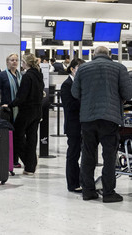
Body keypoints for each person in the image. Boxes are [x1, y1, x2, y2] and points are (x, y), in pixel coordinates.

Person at [72, 46, 132, 203]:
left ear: (93, 54)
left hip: (88, 118)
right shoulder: (119, 68)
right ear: (109, 55)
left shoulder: (83, 68)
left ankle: (88, 191)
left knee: (88, 155)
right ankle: (108, 192)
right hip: (110, 118)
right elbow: (128, 93)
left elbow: (75, 93)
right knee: (109, 156)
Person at [7, 53, 44, 175]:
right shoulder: (39, 75)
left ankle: (27, 162)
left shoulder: (27, 76)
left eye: (22, 62)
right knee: (32, 138)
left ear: (26, 63)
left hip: (27, 111)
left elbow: (22, 96)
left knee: (17, 135)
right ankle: (31, 167)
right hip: (37, 111)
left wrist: (10, 105)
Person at [0, 53, 21, 167]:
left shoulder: (20, 76)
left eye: (16, 60)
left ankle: (15, 160)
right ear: (7, 62)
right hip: (6, 111)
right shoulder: (2, 76)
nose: (14, 62)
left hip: (19, 110)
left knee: (18, 135)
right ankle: (8, 159)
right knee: (8, 135)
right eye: (12, 60)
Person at [60, 58, 85, 193]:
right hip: (73, 125)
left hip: (82, 124)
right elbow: (69, 106)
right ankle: (72, 183)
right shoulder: (67, 85)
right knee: (73, 155)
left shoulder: (81, 84)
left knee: (82, 154)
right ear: (72, 69)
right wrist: (84, 101)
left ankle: (80, 180)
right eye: (79, 68)